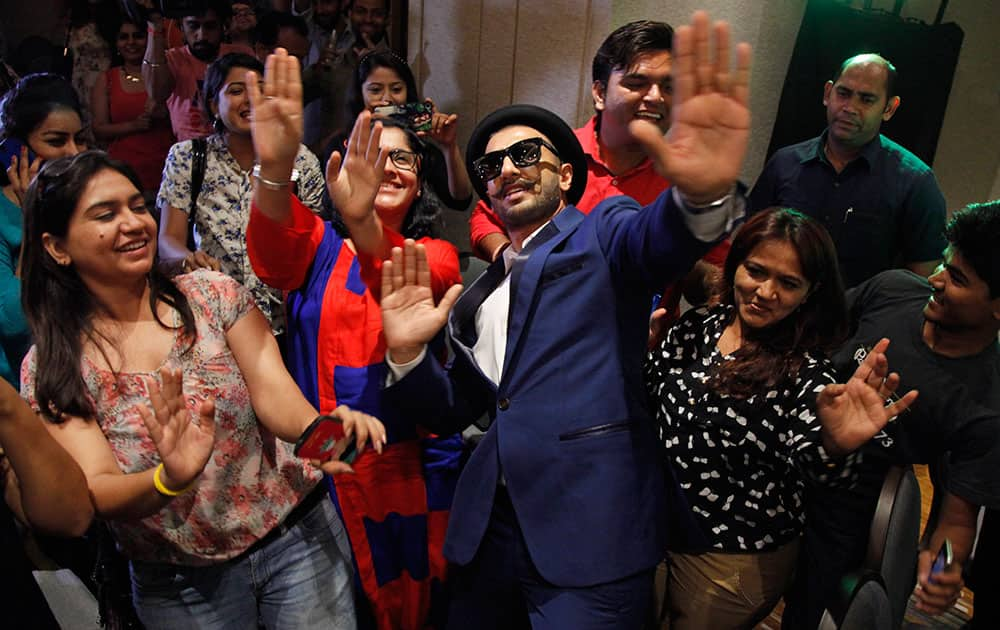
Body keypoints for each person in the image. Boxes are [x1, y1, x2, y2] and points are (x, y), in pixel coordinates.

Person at [374, 12, 749, 628]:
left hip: (590, 536)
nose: (508, 170)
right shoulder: (477, 297)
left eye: (526, 154)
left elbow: (653, 243)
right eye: (491, 168)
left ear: (567, 175)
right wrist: (409, 357)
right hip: (488, 534)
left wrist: (700, 201)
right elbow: (450, 410)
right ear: (487, 196)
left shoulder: (604, 228)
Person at [18, 149, 386, 629]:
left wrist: (328, 432)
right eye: (105, 215)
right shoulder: (52, 365)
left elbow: (275, 393)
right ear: (56, 247)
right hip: (178, 581)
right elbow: (98, 490)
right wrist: (168, 479)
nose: (134, 223)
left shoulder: (212, 294)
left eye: (136, 205)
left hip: (296, 541)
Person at [246, 50, 462, 629]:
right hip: (320, 468)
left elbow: (399, 275)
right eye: (376, 158)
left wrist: (365, 222)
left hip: (400, 471)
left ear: (421, 182)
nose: (389, 169)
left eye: (404, 160)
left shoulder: (433, 257)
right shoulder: (318, 247)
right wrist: (274, 165)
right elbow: (270, 253)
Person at [646, 207, 916, 628]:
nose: (765, 292)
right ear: (735, 264)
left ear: (810, 292)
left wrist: (834, 445)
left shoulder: (806, 372)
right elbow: (649, 407)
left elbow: (818, 465)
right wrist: (635, 356)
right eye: (756, 271)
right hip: (654, 525)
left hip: (728, 557)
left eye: (788, 283)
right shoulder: (697, 326)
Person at [783, 200, 1000, 629]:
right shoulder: (893, 289)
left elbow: (956, 520)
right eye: (944, 264)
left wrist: (944, 571)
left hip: (848, 508)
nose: (936, 281)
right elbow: (806, 337)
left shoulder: (987, 404)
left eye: (956, 279)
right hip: (784, 458)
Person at [469, 20, 728, 327]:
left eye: (670, 87)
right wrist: (512, 261)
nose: (656, 97)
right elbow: (484, 216)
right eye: (637, 83)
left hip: (640, 348)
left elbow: (712, 278)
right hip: (542, 331)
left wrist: (689, 265)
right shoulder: (550, 155)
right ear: (600, 92)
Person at [157, 52, 324, 337]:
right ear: (214, 104)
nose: (251, 99)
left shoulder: (300, 160)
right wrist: (189, 259)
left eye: (260, 88)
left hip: (287, 323)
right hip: (216, 318)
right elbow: (168, 239)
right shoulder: (189, 157)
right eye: (236, 90)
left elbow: (318, 244)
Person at [748, 53, 947, 288]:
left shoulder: (916, 183)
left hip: (858, 322)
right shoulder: (784, 163)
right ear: (827, 94)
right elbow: (748, 244)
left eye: (866, 99)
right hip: (775, 313)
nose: (850, 107)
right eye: (843, 93)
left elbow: (920, 283)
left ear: (889, 108)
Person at [0, 73, 88, 387]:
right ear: (14, 149)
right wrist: (31, 221)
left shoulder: (91, 203)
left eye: (79, 139)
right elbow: (14, 322)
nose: (74, 153)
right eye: (56, 141)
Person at [324, 50, 472, 212]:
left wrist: (448, 147)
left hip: (411, 234)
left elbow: (460, 201)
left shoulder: (419, 145)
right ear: (360, 94)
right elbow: (331, 204)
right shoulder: (341, 144)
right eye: (375, 90)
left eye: (396, 89)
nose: (387, 99)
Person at [141, 0, 254, 140]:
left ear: (223, 26)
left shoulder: (241, 55)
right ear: (181, 27)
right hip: (191, 151)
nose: (201, 35)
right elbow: (156, 94)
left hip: (236, 145)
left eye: (210, 27)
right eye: (193, 26)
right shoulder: (172, 59)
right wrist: (155, 29)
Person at [92, 17, 175, 201]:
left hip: (167, 174)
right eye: (124, 37)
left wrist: (165, 114)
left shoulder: (170, 73)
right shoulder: (107, 79)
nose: (131, 42)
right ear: (116, 44)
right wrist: (134, 125)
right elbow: (98, 128)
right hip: (124, 175)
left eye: (137, 36)